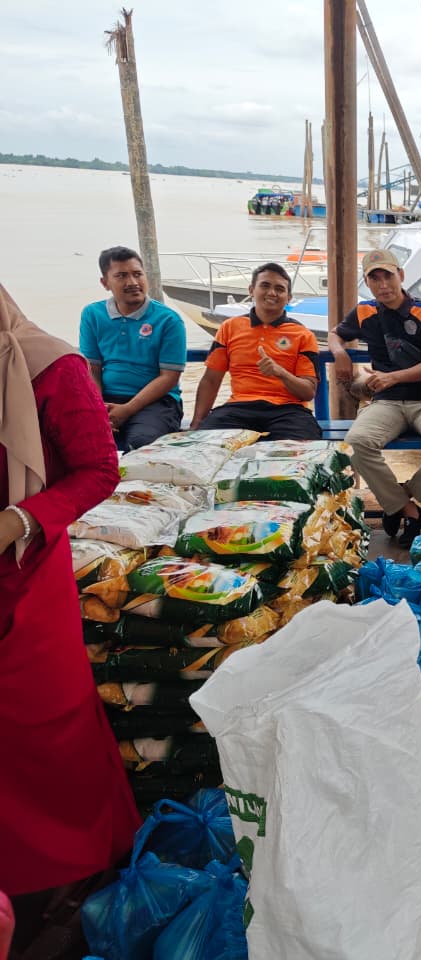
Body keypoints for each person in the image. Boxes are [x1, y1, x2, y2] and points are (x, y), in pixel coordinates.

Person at [0, 284, 140, 946]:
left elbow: (98, 471)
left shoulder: (53, 367)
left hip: (25, 576)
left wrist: (21, 518)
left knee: (43, 729)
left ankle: (59, 872)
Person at [330, 250, 421, 547]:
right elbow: (334, 334)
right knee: (356, 442)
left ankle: (399, 499)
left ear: (401, 276)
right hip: (386, 402)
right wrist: (340, 352)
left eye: (388, 276)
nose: (383, 285)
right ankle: (407, 509)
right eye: (374, 278)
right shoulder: (364, 312)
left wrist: (393, 376)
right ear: (368, 283)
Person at [190, 262, 322, 440]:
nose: (272, 293)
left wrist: (280, 373)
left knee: (299, 453)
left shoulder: (302, 334)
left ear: (288, 297)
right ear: (251, 290)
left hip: (288, 410)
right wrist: (197, 422)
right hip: (239, 407)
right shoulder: (230, 327)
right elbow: (211, 380)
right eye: (265, 285)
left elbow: (308, 392)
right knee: (205, 445)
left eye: (279, 289)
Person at [80, 246, 187, 451]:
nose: (132, 282)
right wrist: (97, 407)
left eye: (137, 274)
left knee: (140, 444)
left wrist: (127, 410)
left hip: (157, 401)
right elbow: (92, 368)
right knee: (78, 439)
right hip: (107, 397)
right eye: (121, 276)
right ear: (105, 283)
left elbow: (169, 377)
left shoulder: (168, 320)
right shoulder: (92, 314)